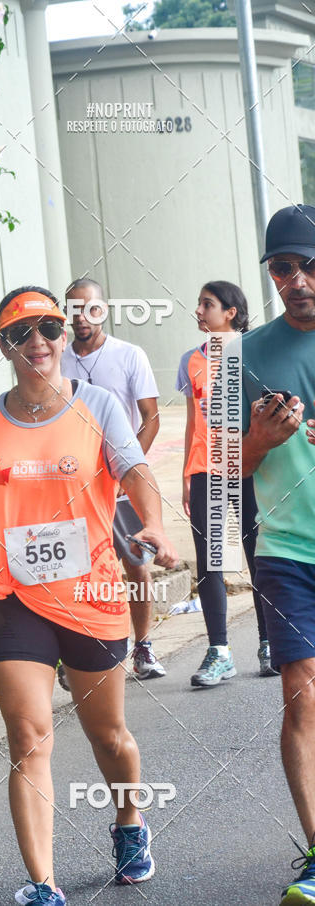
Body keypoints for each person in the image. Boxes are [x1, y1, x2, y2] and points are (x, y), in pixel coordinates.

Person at [0, 287, 178, 904]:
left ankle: (130, 820)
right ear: (4, 346)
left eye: (50, 329)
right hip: (15, 597)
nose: (39, 344)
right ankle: (42, 885)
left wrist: (153, 524)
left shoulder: (99, 405)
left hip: (93, 593)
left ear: (64, 334)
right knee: (27, 735)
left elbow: (134, 471)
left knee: (108, 735)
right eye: (22, 334)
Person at [239, 205, 315, 906]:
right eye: (284, 268)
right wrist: (262, 438)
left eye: (309, 265)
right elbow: (223, 466)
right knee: (304, 693)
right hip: (288, 549)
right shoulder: (248, 355)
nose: (298, 279)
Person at [61, 277, 165, 681]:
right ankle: (77, 656)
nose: (82, 317)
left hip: (121, 484)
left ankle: (142, 647)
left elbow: (151, 419)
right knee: (74, 568)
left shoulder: (128, 355)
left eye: (90, 308)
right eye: (73, 309)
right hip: (75, 485)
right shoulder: (58, 359)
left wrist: (125, 472)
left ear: (103, 309)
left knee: (135, 564)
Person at [176, 281, 275, 687]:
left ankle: (270, 643)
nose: (199, 310)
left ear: (231, 312)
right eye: (199, 303)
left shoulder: (256, 353)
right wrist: (185, 473)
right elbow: (191, 421)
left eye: (207, 304)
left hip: (250, 467)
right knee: (210, 559)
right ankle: (219, 651)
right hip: (205, 471)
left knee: (259, 554)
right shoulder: (190, 360)